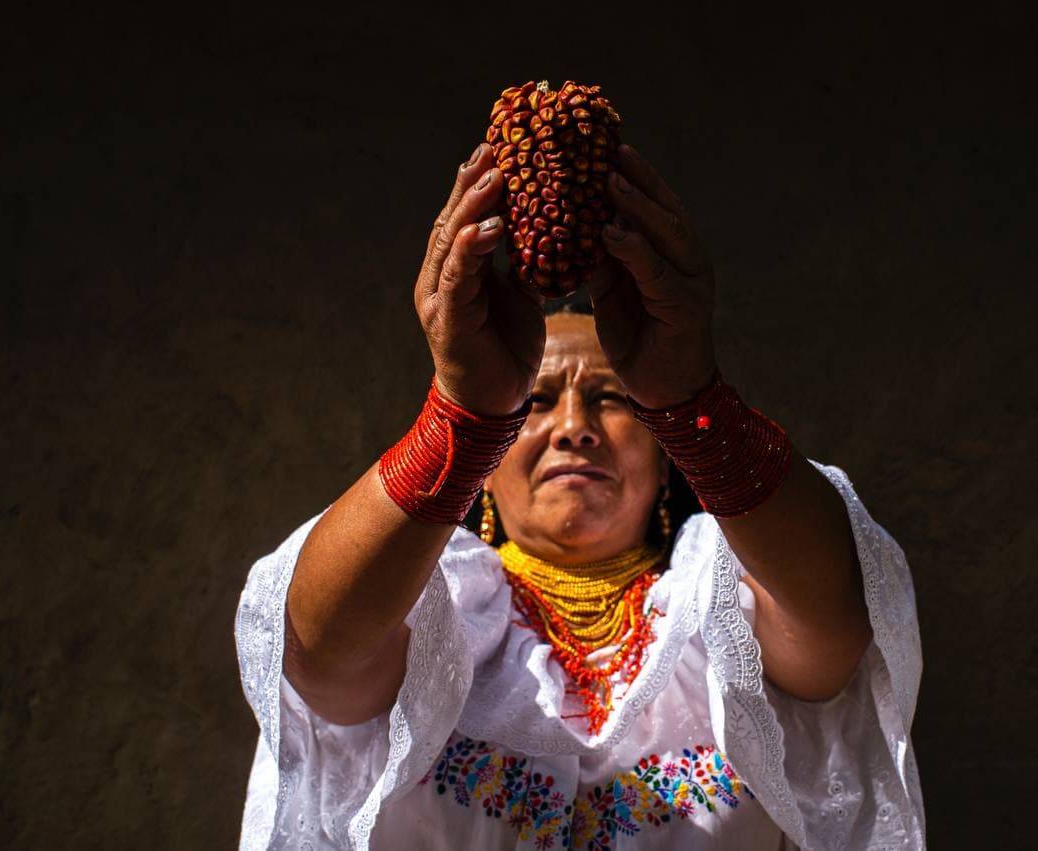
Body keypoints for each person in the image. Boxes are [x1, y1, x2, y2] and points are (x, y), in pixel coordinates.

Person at [234, 140, 926, 850]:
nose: (574, 428)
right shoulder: (436, 622)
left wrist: (691, 398)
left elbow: (839, 613)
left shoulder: (722, 624)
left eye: (611, 399)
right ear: (488, 466)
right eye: (533, 403)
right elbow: (314, 649)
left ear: (664, 461)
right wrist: (461, 415)